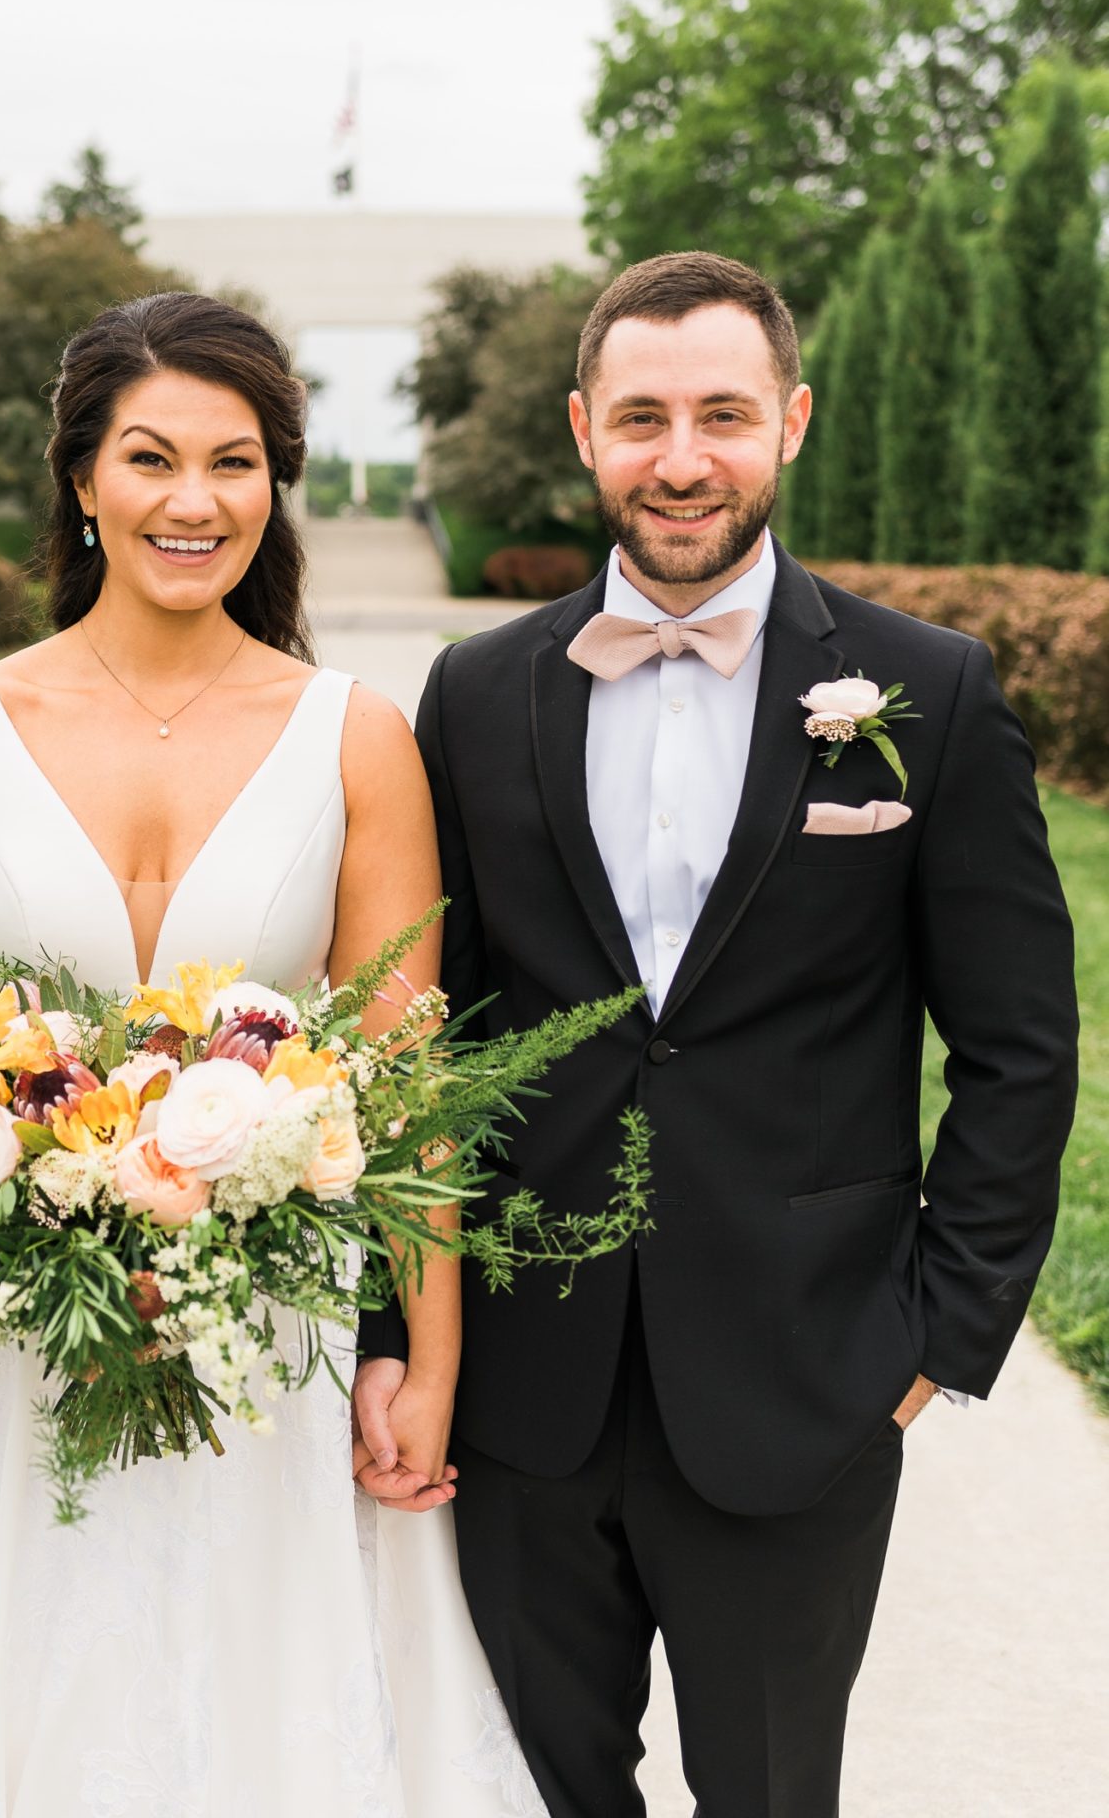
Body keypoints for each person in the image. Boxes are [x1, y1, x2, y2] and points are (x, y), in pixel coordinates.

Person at [0, 293, 545, 1817]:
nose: (195, 502)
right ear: (84, 480)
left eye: (234, 463)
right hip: (4, 1357)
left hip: (262, 1349)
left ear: (276, 482)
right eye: (153, 458)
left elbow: (412, 1089)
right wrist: (43, 1223)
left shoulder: (355, 735)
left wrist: (422, 1365)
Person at [354, 251, 1079, 1817]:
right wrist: (395, 1337)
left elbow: (1021, 1047)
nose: (682, 460)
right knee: (534, 1789)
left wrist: (937, 1344)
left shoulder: (929, 693)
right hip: (526, 1386)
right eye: (642, 418)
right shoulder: (476, 697)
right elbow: (420, 1045)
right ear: (582, 428)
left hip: (804, 1378)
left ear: (793, 421)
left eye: (724, 415)